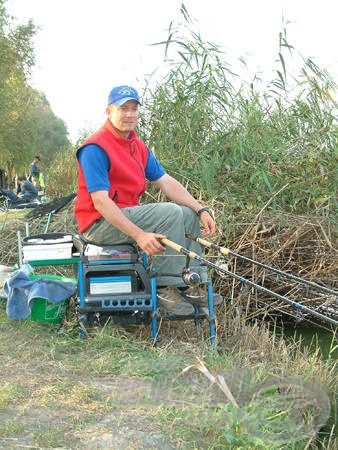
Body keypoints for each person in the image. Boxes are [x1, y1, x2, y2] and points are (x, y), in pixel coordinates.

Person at [74, 85, 222, 316]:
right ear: (108, 111)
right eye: (123, 108)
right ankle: (165, 286)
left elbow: (166, 181)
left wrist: (200, 209)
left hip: (125, 214)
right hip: (99, 224)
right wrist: (139, 235)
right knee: (170, 212)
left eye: (134, 108)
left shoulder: (137, 145)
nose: (130, 114)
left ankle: (191, 282)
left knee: (186, 213)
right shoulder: (95, 147)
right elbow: (101, 203)